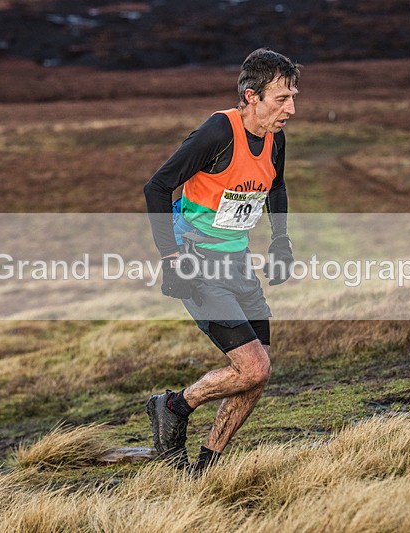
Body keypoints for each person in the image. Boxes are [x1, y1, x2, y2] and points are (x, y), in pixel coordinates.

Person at [143, 48, 300, 474]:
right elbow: (156, 188)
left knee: (258, 372)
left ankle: (206, 466)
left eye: (293, 97)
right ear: (251, 96)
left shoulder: (275, 136)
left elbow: (277, 186)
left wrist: (281, 242)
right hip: (197, 262)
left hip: (237, 263)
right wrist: (171, 259)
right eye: (281, 99)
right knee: (253, 367)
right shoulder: (218, 132)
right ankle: (174, 405)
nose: (291, 108)